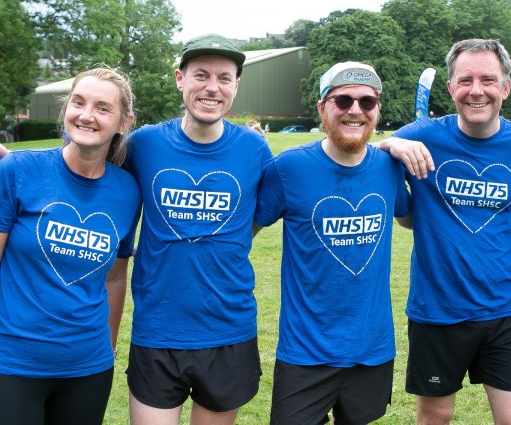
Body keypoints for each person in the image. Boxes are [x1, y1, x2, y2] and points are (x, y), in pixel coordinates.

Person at [377, 38, 511, 424]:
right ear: (451, 87)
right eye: (465, 80)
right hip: (437, 311)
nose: (476, 90)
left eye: (488, 80)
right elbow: (368, 155)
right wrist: (391, 143)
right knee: (435, 416)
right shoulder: (423, 135)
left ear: (505, 87)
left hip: (505, 309)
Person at [123, 34, 272, 425]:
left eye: (224, 78)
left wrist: (389, 146)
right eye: (201, 75)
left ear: (236, 85)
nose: (212, 87)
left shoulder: (254, 150)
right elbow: (82, 163)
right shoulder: (144, 145)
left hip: (228, 330)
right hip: (157, 330)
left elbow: (255, 218)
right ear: (179, 79)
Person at [254, 61, 411, 424]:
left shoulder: (389, 167)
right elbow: (243, 235)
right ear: (322, 107)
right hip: (305, 352)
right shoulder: (288, 168)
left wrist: (405, 148)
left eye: (367, 103)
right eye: (343, 101)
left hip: (371, 350)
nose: (355, 110)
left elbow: (411, 218)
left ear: (377, 110)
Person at [0, 67, 141, 424]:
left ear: (123, 123)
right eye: (78, 102)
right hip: (13, 362)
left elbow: (114, 278)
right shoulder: (17, 170)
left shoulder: (127, 191)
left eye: (102, 107)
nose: (86, 115)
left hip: (88, 368)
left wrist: (106, 348)